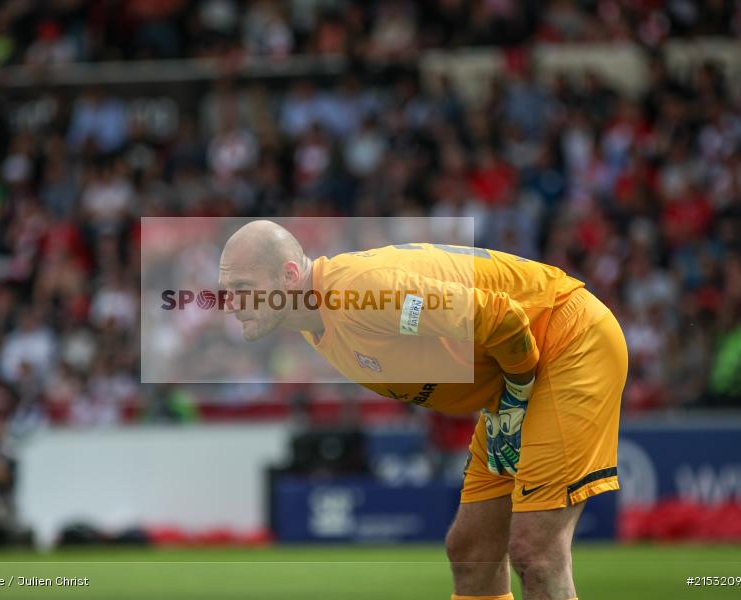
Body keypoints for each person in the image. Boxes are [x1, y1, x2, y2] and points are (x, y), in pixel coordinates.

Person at [219, 220, 628, 600]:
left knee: (536, 553)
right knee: (471, 553)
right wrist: (511, 395)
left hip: (567, 342)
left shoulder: (360, 296)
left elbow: (502, 317)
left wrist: (517, 394)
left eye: (242, 286)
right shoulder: (314, 319)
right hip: (517, 375)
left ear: (289, 276)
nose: (230, 302)